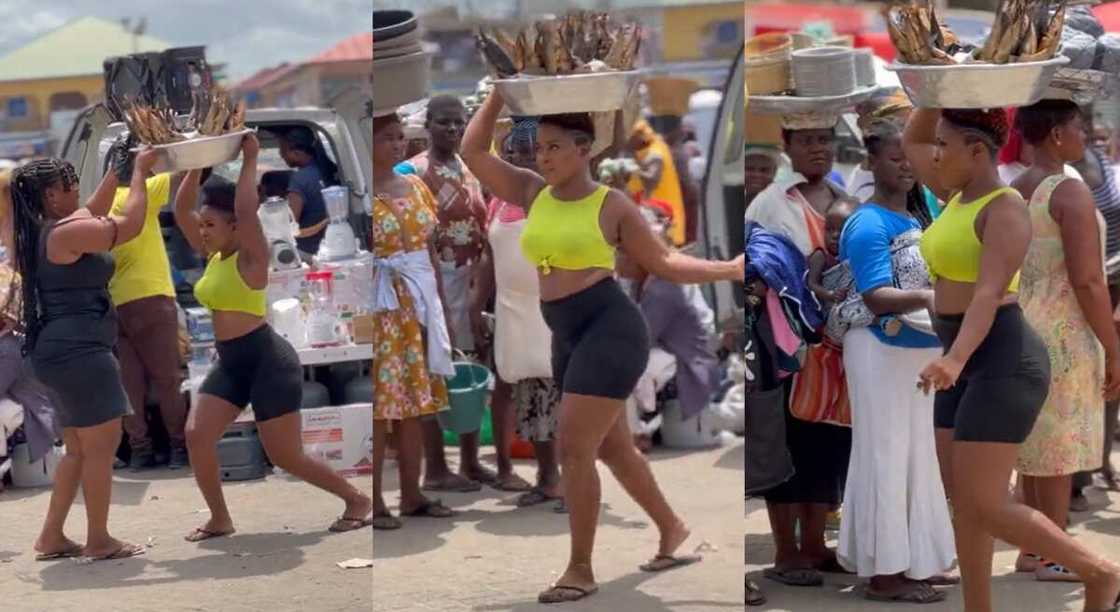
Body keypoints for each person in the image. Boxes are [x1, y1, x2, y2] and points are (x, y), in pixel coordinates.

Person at [461, 89, 743, 604]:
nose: (543, 157)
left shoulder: (612, 204)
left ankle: (580, 568)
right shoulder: (531, 192)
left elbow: (665, 262)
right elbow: (473, 152)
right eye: (539, 147)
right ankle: (673, 528)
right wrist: (501, 93)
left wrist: (730, 269)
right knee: (613, 448)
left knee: (573, 447)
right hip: (564, 332)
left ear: (584, 149)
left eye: (554, 147)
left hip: (609, 330)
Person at [904, 106, 1120, 612]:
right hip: (961, 358)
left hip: (1002, 358)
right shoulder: (953, 198)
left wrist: (956, 359)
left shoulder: (1005, 207)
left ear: (977, 151)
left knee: (986, 502)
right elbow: (912, 140)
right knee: (966, 502)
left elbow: (989, 293)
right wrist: (938, 85)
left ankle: (1101, 572)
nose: (936, 154)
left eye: (945, 145)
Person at [172, 134, 372, 541]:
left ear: (235, 227)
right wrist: (195, 162)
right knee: (197, 435)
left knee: (285, 455)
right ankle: (219, 518)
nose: (202, 231)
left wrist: (249, 160)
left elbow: (247, 210)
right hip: (231, 362)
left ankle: (357, 500)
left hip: (268, 361)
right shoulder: (213, 254)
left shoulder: (253, 256)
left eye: (210, 224)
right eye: (202, 225)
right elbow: (179, 210)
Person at [10, 151, 158, 561]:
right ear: (51, 195)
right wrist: (140, 173)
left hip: (57, 353)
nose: (77, 190)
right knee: (101, 448)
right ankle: (99, 540)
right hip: (81, 354)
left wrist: (115, 172)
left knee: (78, 449)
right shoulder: (65, 235)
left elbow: (90, 210)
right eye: (69, 186)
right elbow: (130, 225)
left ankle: (51, 537)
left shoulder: (43, 231)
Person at [837, 118, 956, 604]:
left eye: (911, 156)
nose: (906, 165)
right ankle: (885, 574)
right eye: (894, 157)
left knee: (915, 458)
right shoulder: (868, 222)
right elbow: (875, 295)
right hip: (878, 351)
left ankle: (917, 560)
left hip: (913, 357)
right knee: (885, 457)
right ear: (871, 162)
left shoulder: (913, 217)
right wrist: (930, 297)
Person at [1010, 100, 1120, 582]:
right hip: (1063, 328)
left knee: (1034, 441)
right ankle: (1055, 553)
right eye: (1080, 128)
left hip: (1021, 320)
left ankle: (1033, 547)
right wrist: (1113, 345)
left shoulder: (1017, 187)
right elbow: (1089, 281)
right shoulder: (1069, 191)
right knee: (1057, 446)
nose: (1087, 137)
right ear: (1057, 134)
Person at [745, 112, 853, 588]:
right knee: (788, 443)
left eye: (824, 139)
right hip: (788, 346)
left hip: (839, 346)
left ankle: (815, 544)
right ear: (786, 144)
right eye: (807, 140)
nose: (818, 148)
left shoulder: (846, 199)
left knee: (829, 443)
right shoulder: (770, 204)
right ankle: (785, 551)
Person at [400, 95, 496, 492]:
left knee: (470, 370)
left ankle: (470, 461)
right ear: (427, 126)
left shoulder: (470, 164)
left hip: (473, 283)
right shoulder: (413, 172)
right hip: (434, 284)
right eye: (444, 122)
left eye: (459, 122)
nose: (454, 129)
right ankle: (436, 467)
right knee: (436, 372)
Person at [371, 111, 457, 529]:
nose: (397, 144)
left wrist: (439, 308)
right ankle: (374, 502)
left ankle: (411, 494)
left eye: (400, 137)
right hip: (381, 310)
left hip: (417, 304)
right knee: (379, 407)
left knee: (413, 403)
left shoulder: (416, 186)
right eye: (387, 138)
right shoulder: (359, 194)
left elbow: (429, 251)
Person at [472, 116, 564, 505]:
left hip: (550, 308)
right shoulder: (497, 201)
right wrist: (477, 303)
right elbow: (489, 256)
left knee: (558, 394)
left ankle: (570, 480)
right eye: (514, 153)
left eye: (531, 153)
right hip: (512, 311)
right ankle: (547, 477)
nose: (522, 160)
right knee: (531, 395)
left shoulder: (555, 198)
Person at [107, 138, 189, 470]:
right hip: (152, 298)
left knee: (130, 385)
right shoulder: (143, 192)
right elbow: (186, 172)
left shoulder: (101, 206)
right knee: (168, 380)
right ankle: (179, 447)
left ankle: (140, 450)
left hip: (116, 303)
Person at [1071, 108, 1120, 495]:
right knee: (1078, 379)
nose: (1084, 130)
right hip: (1075, 289)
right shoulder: (1057, 175)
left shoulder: (1103, 164)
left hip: (1112, 282)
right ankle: (1077, 474)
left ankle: (1100, 459)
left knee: (1109, 380)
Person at [275, 126, 340, 258]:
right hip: (333, 245)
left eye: (282, 150)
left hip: (307, 251)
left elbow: (290, 224)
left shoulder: (299, 179)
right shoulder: (330, 170)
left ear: (297, 153)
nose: (281, 155)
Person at [627, 119, 689, 246]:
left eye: (630, 139)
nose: (627, 143)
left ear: (638, 137)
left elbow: (651, 180)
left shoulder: (655, 154)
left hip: (662, 220)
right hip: (653, 219)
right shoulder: (647, 150)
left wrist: (633, 169)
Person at [806, 199, 855, 308]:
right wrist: (830, 294)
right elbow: (811, 284)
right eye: (829, 229)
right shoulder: (821, 256)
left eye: (842, 230)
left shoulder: (855, 256)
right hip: (824, 308)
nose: (835, 235)